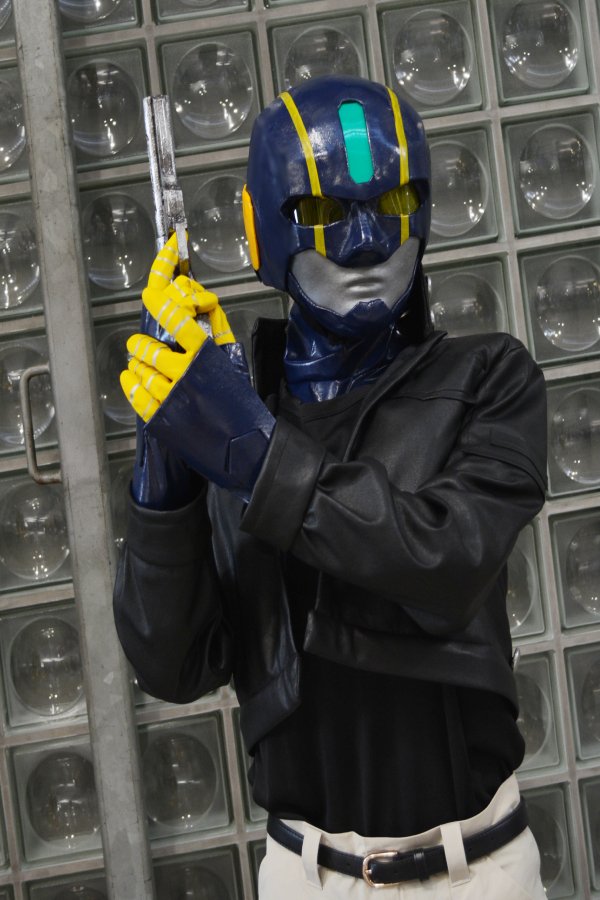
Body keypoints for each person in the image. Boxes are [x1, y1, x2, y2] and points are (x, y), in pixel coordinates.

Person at [114, 75, 548, 898]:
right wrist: (165, 468)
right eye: (320, 212)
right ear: (260, 228)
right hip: (305, 875)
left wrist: (250, 453)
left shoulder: (488, 380)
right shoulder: (243, 408)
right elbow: (174, 666)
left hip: (475, 871)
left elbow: (444, 559)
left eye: (393, 204)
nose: (365, 243)